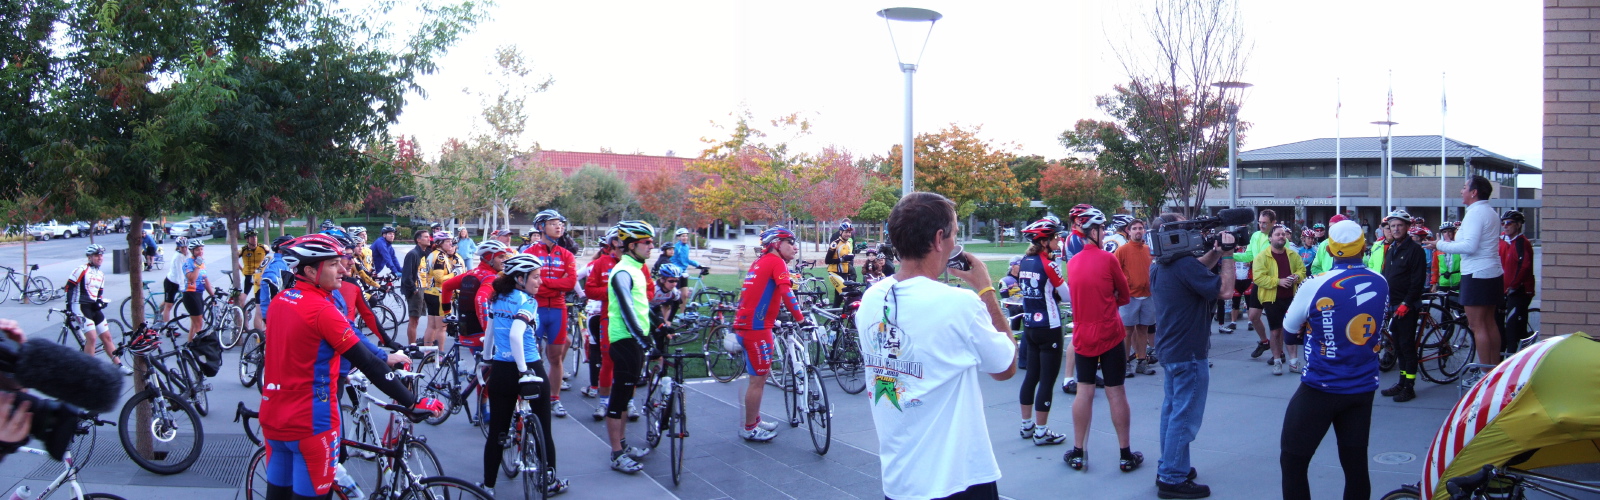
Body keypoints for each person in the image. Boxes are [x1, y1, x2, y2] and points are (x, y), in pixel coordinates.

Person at [854, 192, 1016, 500]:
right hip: (957, 480)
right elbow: (1005, 367)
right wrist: (984, 289)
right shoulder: (960, 305)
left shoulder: (872, 300)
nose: (956, 243)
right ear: (939, 239)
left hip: (900, 482)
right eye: (955, 234)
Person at [260, 234, 442, 499]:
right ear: (310, 271)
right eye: (334, 264)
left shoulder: (281, 301)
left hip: (273, 418)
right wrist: (411, 402)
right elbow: (366, 362)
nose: (344, 269)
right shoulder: (322, 310)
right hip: (311, 422)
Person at [1278, 219, 1386, 500]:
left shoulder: (1315, 284)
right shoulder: (1380, 281)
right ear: (1363, 246)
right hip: (1363, 387)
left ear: (1331, 249)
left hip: (1321, 386)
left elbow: (1289, 334)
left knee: (1293, 460)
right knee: (1356, 466)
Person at [1150, 212, 1236, 499]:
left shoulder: (1163, 264)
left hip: (1172, 349)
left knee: (1172, 411)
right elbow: (1225, 291)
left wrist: (1214, 251)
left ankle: (1171, 465)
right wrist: (1228, 255)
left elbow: (1196, 269)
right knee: (1185, 416)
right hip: (1188, 352)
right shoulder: (1184, 265)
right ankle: (1172, 477)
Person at [480, 254, 571, 495]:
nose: (540, 281)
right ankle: (549, 480)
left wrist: (486, 358)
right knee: (544, 428)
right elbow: (515, 335)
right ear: (520, 278)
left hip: (500, 369)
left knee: (498, 433)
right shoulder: (527, 301)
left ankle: (488, 486)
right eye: (536, 277)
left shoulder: (497, 298)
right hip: (529, 366)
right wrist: (523, 371)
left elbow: (490, 331)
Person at [1062, 208, 1140, 472]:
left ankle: (1078, 452)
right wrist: (1111, 301)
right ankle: (1125, 455)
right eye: (1102, 229)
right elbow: (1125, 296)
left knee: (1084, 391)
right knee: (1115, 391)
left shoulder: (1071, 264)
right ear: (1093, 232)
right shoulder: (1108, 260)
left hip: (1084, 334)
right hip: (1110, 332)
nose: (1105, 232)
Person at [731, 226, 808, 442]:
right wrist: (801, 320)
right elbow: (786, 292)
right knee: (757, 381)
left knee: (760, 378)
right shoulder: (776, 261)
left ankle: (753, 420)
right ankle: (749, 428)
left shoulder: (760, 262)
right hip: (756, 329)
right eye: (789, 242)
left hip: (750, 326)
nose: (794, 247)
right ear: (776, 244)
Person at [1431, 175, 1505, 372]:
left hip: (1477, 274)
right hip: (1492, 272)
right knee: (1489, 323)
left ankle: (1484, 374)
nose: (1461, 191)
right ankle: (1493, 370)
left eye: (1464, 187)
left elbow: (1469, 246)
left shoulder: (1475, 213)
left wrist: (1439, 244)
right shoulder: (1490, 212)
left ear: (1474, 192)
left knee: (1477, 325)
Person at [604, 220, 659, 473]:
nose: (652, 246)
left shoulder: (636, 268)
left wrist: (658, 327)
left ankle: (623, 445)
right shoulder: (623, 271)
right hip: (624, 341)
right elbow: (627, 311)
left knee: (626, 398)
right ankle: (616, 454)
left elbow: (641, 305)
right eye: (647, 242)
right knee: (619, 398)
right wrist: (645, 341)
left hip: (633, 341)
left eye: (651, 242)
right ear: (632, 245)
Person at [1015, 218, 1070, 446]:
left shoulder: (1024, 261)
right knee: (1047, 381)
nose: (1059, 240)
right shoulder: (1048, 264)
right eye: (1056, 237)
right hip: (1050, 326)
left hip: (1030, 325)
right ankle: (1041, 431)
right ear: (1044, 241)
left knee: (1031, 377)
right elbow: (1066, 296)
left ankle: (1026, 426)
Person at [524, 209, 578, 417]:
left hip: (557, 309)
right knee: (532, 356)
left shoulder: (567, 254)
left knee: (556, 358)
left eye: (561, 224)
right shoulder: (529, 254)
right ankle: (531, 396)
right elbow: (528, 285)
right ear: (540, 227)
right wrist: (556, 284)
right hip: (534, 309)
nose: (559, 227)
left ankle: (554, 399)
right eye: (554, 223)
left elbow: (571, 283)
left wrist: (543, 283)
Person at [1375, 210, 1428, 402]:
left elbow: (1417, 281)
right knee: (1397, 345)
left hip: (1406, 306)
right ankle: (1401, 381)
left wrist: (1406, 303)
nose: (1396, 229)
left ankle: (1410, 386)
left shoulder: (1415, 251)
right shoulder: (1391, 248)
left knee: (1407, 346)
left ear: (1407, 227)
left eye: (1400, 225)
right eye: (1392, 226)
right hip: (1392, 304)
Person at [442, 240, 511, 383]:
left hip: (466, 332)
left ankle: (483, 404)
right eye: (500, 257)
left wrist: (447, 313)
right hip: (480, 336)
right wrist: (488, 333)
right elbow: (480, 300)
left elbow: (447, 286)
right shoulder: (490, 277)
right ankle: (486, 405)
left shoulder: (472, 273)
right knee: (490, 377)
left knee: (482, 374)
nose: (504, 260)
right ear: (489, 258)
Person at [65, 244, 131, 375]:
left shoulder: (101, 274)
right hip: (80, 305)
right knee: (92, 338)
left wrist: (100, 302)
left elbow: (99, 292)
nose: (99, 258)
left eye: (101, 255)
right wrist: (68, 308)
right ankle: (89, 369)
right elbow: (69, 287)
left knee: (107, 337)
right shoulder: (81, 269)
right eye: (96, 255)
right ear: (90, 257)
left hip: (93, 306)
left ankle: (119, 365)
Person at [1253, 224, 1307, 376]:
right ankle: (1277, 361)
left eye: (1283, 234)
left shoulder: (1293, 255)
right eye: (1277, 234)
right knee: (1276, 331)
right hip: (1272, 299)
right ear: (1270, 238)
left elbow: (1302, 270)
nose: (1281, 236)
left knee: (1292, 330)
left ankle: (1294, 362)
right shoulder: (1262, 257)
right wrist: (1278, 281)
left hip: (1292, 298)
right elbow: (1258, 278)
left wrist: (1297, 276)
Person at [1232, 209, 1276, 362]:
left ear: (1273, 223)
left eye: (1265, 223)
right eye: (1260, 222)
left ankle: (1279, 354)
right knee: (1253, 316)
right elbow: (1249, 256)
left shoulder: (1278, 236)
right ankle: (1265, 342)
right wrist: (1229, 254)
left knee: (1275, 322)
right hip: (1258, 282)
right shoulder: (1256, 236)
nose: (1261, 225)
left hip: (1272, 284)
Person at [1115, 218, 1156, 377]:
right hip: (1129, 297)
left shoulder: (1149, 249)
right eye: (1135, 228)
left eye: (1141, 228)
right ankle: (1125, 363)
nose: (1138, 231)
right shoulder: (1122, 250)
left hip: (1147, 296)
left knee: (1143, 329)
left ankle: (1141, 361)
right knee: (1127, 330)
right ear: (1128, 231)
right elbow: (1115, 273)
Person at [1498, 210, 1535, 356]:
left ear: (1518, 225)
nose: (1505, 226)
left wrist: (1513, 285)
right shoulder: (1511, 242)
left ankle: (1514, 363)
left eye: (1509, 223)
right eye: (1503, 223)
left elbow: (1524, 266)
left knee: (1513, 331)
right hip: (1510, 290)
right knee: (1509, 328)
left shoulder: (1521, 243)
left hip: (1519, 291)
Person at [421, 230, 462, 348]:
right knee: (441, 328)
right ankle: (440, 355)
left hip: (430, 292)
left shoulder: (433, 254)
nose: (451, 244)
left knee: (431, 326)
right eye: (448, 241)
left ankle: (427, 353)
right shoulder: (440, 256)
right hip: (439, 294)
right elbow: (440, 279)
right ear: (439, 243)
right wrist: (455, 273)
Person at [401, 229, 433, 345]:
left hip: (424, 288)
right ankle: (412, 346)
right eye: (425, 237)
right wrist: (414, 290)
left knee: (419, 319)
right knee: (413, 320)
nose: (428, 238)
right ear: (418, 240)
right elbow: (406, 276)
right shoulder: (413, 254)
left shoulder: (426, 253)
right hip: (416, 289)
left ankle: (420, 344)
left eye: (428, 236)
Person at [256, 235, 296, 328]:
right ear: (281, 250)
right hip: (273, 310)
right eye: (289, 248)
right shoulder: (279, 263)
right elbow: (269, 279)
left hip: (267, 303)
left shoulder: (277, 260)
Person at [181, 239, 213, 343]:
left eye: (201, 249)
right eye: (198, 250)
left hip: (199, 294)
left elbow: (205, 279)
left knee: (194, 325)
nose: (200, 252)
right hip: (190, 294)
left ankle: (189, 346)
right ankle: (198, 347)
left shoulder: (201, 262)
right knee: (199, 324)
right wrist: (197, 266)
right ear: (192, 251)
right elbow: (192, 278)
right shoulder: (188, 262)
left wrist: (213, 295)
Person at [669, 228, 707, 310]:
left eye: (686, 236)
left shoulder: (686, 247)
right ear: (679, 237)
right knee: (674, 295)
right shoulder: (676, 247)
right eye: (683, 236)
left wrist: (698, 264)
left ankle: (682, 315)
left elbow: (686, 260)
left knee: (685, 295)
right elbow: (672, 260)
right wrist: (680, 271)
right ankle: (671, 314)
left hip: (684, 273)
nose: (685, 238)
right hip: (677, 274)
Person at [825, 221, 857, 306]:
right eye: (846, 232)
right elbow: (827, 261)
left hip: (845, 273)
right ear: (840, 232)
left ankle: (835, 315)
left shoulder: (849, 243)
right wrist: (842, 259)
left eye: (849, 232)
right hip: (834, 273)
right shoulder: (835, 243)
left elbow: (847, 259)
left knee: (838, 297)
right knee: (845, 293)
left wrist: (851, 257)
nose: (848, 234)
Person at [161, 238, 190, 324]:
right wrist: (182, 286)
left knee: (168, 301)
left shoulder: (187, 254)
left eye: (185, 247)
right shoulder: (178, 257)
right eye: (182, 247)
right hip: (171, 282)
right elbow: (180, 272)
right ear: (178, 247)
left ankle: (158, 313)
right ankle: (167, 327)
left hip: (178, 282)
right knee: (169, 305)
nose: (184, 249)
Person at [1431, 222, 1462, 294]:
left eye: (1449, 231)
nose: (1447, 233)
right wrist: (1434, 283)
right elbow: (1435, 268)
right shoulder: (1439, 249)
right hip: (1443, 282)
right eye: (1444, 232)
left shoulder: (1459, 246)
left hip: (1457, 282)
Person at [239, 229, 269, 300]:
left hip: (260, 275)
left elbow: (269, 258)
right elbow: (234, 260)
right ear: (247, 239)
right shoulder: (242, 250)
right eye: (252, 237)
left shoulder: (264, 248)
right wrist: (242, 269)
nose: (254, 238)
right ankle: (243, 310)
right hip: (248, 275)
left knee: (260, 296)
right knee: (244, 295)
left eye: (255, 236)